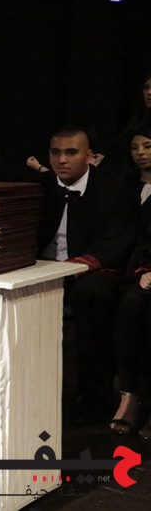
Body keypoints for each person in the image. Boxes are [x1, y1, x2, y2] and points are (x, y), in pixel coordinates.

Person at [36, 126, 136, 424]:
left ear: (89, 156)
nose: (62, 160)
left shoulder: (113, 188)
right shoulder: (39, 187)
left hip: (91, 271)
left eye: (71, 152)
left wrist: (79, 266)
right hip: (42, 269)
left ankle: (92, 397)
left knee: (92, 296)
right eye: (56, 152)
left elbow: (117, 241)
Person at [109, 126, 151, 436]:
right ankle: (129, 396)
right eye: (135, 147)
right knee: (126, 305)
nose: (141, 153)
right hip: (132, 271)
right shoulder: (125, 188)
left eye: (147, 146)